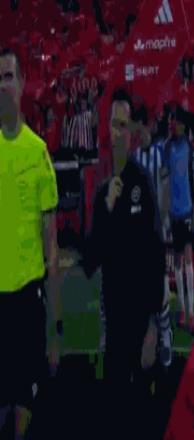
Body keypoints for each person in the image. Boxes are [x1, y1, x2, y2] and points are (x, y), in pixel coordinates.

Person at [82, 88, 165, 436]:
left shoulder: (142, 184)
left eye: (123, 125)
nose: (119, 132)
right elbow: (90, 261)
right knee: (116, 415)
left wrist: (153, 326)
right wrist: (106, 210)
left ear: (131, 132)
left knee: (143, 417)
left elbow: (156, 255)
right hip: (114, 326)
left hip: (141, 324)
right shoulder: (102, 191)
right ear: (107, 130)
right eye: (113, 125)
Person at [0, 48, 62, 440]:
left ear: (22, 84)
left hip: (26, 301)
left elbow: (51, 248)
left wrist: (55, 330)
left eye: (8, 76)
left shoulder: (38, 153)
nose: (2, 85)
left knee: (23, 408)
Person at [133, 104, 173, 370]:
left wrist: (163, 224)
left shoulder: (160, 155)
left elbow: (165, 191)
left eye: (139, 126)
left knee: (161, 287)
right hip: (140, 234)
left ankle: (166, 335)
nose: (138, 132)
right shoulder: (135, 157)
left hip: (158, 232)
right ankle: (147, 338)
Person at [164, 103, 194, 333]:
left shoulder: (188, 147)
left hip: (186, 210)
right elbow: (165, 179)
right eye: (170, 120)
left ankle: (192, 312)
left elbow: (191, 176)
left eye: (174, 120)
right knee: (176, 262)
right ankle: (183, 310)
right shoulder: (167, 148)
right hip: (173, 212)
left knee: (188, 259)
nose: (172, 124)